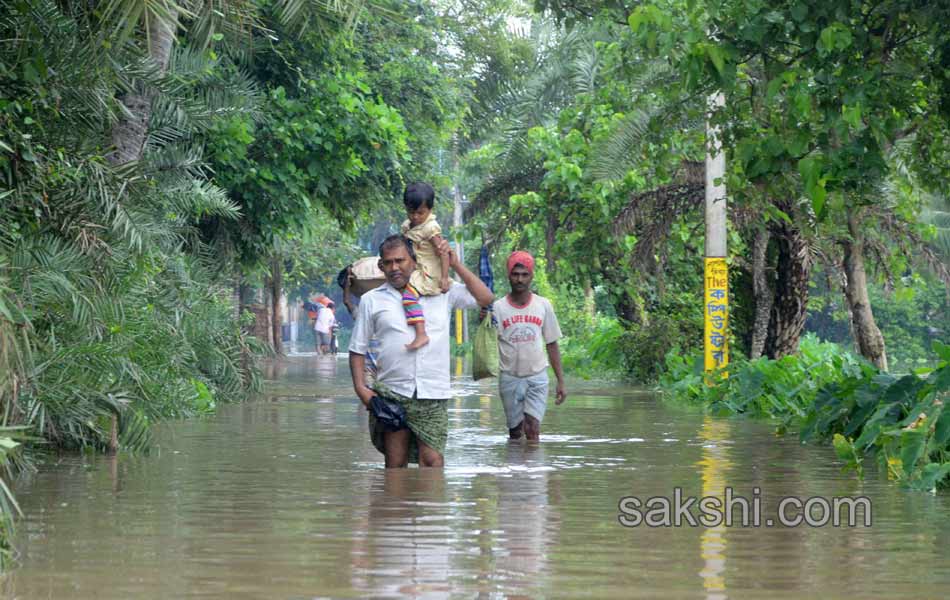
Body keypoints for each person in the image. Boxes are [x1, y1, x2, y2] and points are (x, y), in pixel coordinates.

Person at [348, 234, 493, 468]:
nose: (395, 267)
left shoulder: (442, 289)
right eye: (389, 263)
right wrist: (362, 391)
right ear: (381, 267)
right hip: (392, 393)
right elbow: (357, 349)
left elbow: (486, 298)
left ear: (414, 261)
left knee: (432, 462)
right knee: (395, 465)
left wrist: (454, 264)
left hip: (433, 393)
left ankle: (428, 505)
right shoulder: (371, 300)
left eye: (400, 261)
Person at [493, 251, 566, 442]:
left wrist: (561, 381)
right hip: (509, 377)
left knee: (533, 430)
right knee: (516, 433)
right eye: (515, 274)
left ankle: (534, 471)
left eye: (524, 275)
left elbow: (552, 343)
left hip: (537, 376)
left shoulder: (543, 305)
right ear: (509, 276)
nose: (520, 279)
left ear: (531, 276)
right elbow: (487, 343)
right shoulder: (498, 308)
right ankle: (516, 470)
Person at [399, 182, 451, 351]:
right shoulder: (407, 226)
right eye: (411, 212)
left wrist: (444, 278)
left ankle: (421, 334)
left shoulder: (430, 228)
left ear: (430, 210)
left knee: (407, 298)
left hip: (428, 273)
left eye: (420, 213)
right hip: (415, 268)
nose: (415, 217)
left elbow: (443, 253)